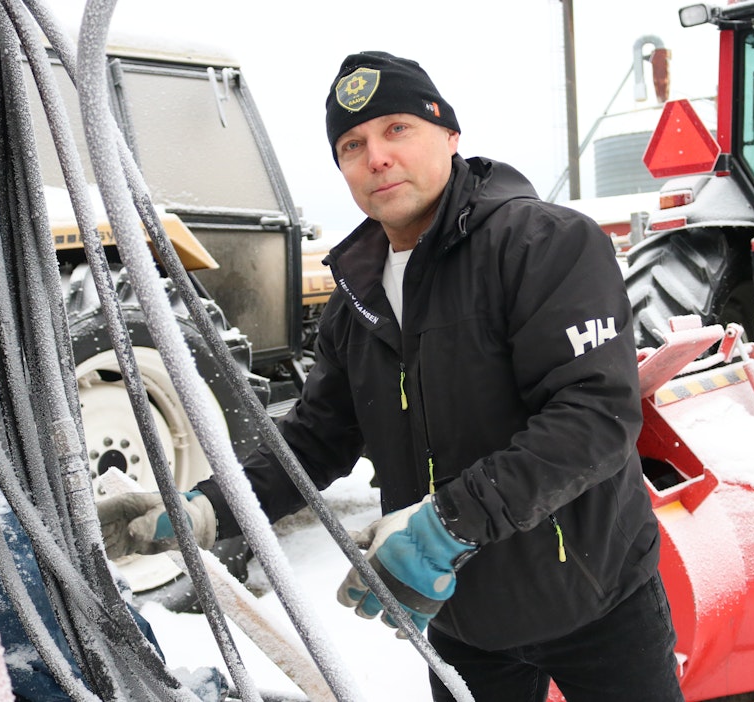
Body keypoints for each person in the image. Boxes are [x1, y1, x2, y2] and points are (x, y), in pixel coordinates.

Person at [97, 50, 684, 702]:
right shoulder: (358, 297)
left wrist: (446, 523)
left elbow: (594, 419)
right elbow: (317, 439)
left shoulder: (544, 244)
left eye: (396, 129)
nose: (375, 156)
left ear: (451, 135)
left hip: (594, 598)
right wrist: (206, 510)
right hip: (459, 616)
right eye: (352, 144)